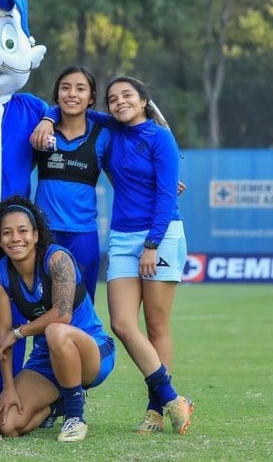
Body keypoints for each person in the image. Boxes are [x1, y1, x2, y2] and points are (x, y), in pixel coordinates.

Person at [33, 75, 193, 434]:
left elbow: (168, 196)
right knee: (121, 323)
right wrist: (46, 116)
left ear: (143, 100)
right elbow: (71, 105)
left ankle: (156, 408)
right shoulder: (109, 128)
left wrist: (152, 244)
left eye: (127, 96)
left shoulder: (159, 136)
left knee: (156, 325)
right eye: (113, 98)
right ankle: (172, 397)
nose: (119, 102)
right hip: (121, 238)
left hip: (160, 237)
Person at [0, 196, 116, 443]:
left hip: (92, 352)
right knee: (7, 424)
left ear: (35, 235)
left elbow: (63, 315)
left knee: (57, 330)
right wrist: (9, 389)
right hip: (47, 360)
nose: (15, 238)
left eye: (23, 231)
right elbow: (4, 339)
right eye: (6, 233)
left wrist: (19, 332)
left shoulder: (57, 258)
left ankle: (75, 416)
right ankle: (59, 405)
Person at [33, 66, 111, 302]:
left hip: (83, 235)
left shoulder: (103, 137)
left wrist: (160, 180)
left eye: (80, 89)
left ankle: (87, 341)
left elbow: (126, 174)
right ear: (57, 96)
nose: (72, 94)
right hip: (46, 233)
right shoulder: (41, 132)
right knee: (45, 304)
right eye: (65, 88)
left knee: (81, 304)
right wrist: (48, 117)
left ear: (91, 98)